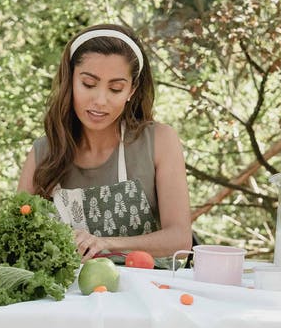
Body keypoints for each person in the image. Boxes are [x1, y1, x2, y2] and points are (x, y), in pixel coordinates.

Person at [18, 24, 193, 261]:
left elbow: (179, 239)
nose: (100, 100)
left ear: (132, 90)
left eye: (115, 88)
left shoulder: (159, 141)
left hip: (147, 291)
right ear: (70, 80)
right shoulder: (44, 152)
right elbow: (16, 234)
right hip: (68, 295)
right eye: (89, 84)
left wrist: (105, 244)